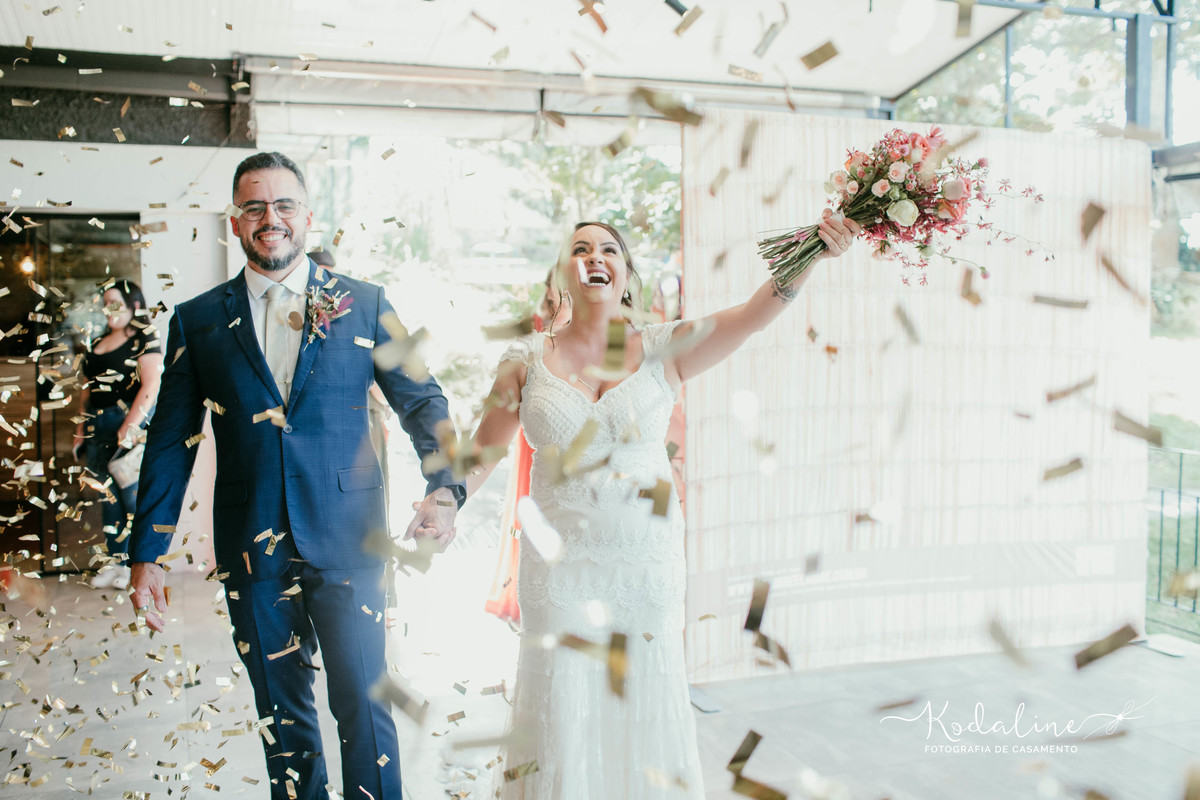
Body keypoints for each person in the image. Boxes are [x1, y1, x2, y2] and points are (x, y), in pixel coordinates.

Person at [466, 214, 858, 798]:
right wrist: (440, 503)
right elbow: (482, 453)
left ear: (625, 277)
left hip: (643, 569)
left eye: (608, 249)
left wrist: (812, 255)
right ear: (560, 279)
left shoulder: (663, 347)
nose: (594, 256)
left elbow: (750, 318)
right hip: (560, 574)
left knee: (641, 699)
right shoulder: (523, 360)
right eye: (579, 249)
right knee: (560, 697)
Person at [127, 152, 464, 800]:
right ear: (235, 223)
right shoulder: (197, 321)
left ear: (306, 217)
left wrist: (445, 490)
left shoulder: (365, 304)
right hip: (251, 550)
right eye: (254, 206)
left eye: (283, 205)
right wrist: (147, 551)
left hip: (350, 543)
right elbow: (171, 439)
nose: (269, 218)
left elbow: (424, 401)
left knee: (365, 712)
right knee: (283, 721)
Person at [483, 270, 572, 625]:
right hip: (532, 425)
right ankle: (522, 591)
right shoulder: (534, 326)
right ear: (549, 288)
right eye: (558, 282)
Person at [74, 279, 162, 590]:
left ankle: (136, 565)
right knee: (106, 498)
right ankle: (115, 563)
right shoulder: (98, 342)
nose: (107, 309)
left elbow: (151, 385)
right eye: (105, 303)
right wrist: (80, 429)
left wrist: (132, 425)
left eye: (115, 303)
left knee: (131, 499)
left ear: (133, 305)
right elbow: (88, 391)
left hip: (126, 426)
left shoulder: (143, 339)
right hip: (97, 426)